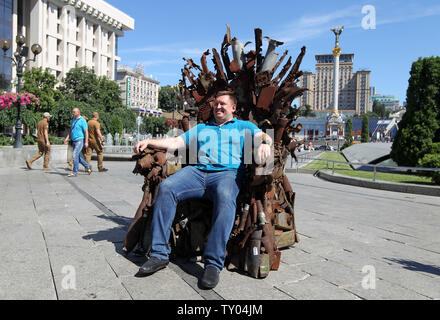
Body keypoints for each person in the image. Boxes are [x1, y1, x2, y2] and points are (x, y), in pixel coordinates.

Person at [133, 90, 272, 289]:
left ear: (233, 107)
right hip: (198, 173)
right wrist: (149, 141)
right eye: (216, 104)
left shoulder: (244, 126)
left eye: (223, 104)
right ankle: (158, 254)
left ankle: (213, 264)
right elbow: (175, 142)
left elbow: (263, 136)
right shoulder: (202, 128)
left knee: (225, 196)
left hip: (228, 174)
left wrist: (264, 144)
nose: (218, 107)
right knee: (167, 187)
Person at [64, 108, 92, 177]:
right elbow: (71, 130)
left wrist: (86, 142)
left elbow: (86, 132)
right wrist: (67, 138)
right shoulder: (73, 120)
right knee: (77, 157)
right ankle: (88, 167)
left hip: (80, 140)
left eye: (74, 112)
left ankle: (74, 172)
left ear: (78, 112)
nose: (73, 113)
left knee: (74, 155)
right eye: (72, 112)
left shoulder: (82, 120)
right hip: (73, 140)